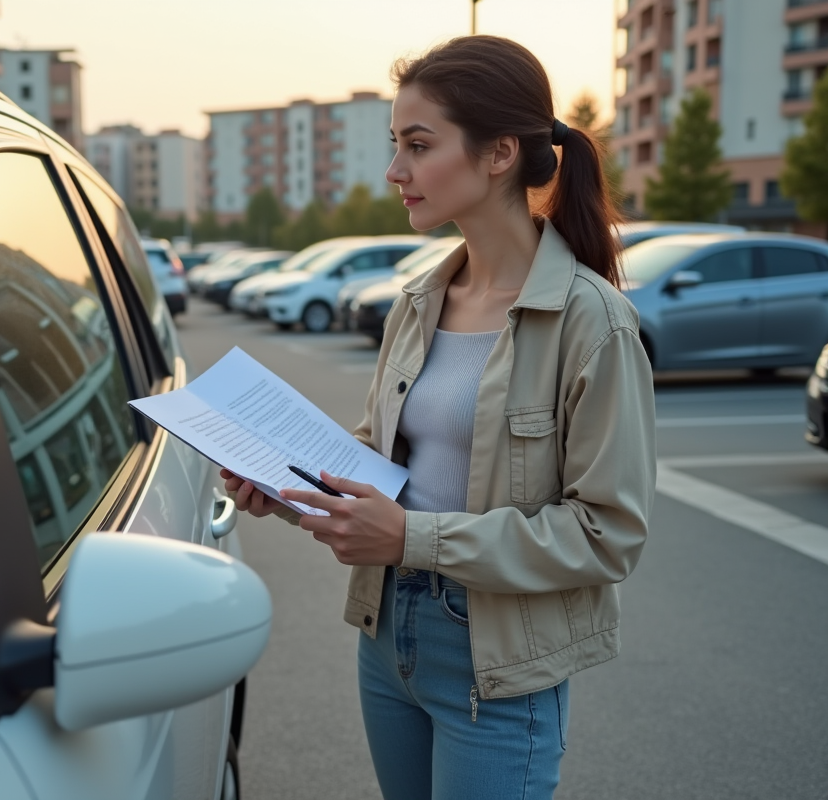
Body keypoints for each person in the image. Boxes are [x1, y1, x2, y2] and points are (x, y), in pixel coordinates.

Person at [222, 36, 656, 799]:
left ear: (498, 155)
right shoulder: (421, 299)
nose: (396, 172)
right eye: (397, 146)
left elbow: (605, 534)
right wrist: (285, 488)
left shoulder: (595, 324)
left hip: (496, 658)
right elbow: (380, 463)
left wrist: (413, 536)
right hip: (389, 636)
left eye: (418, 147)